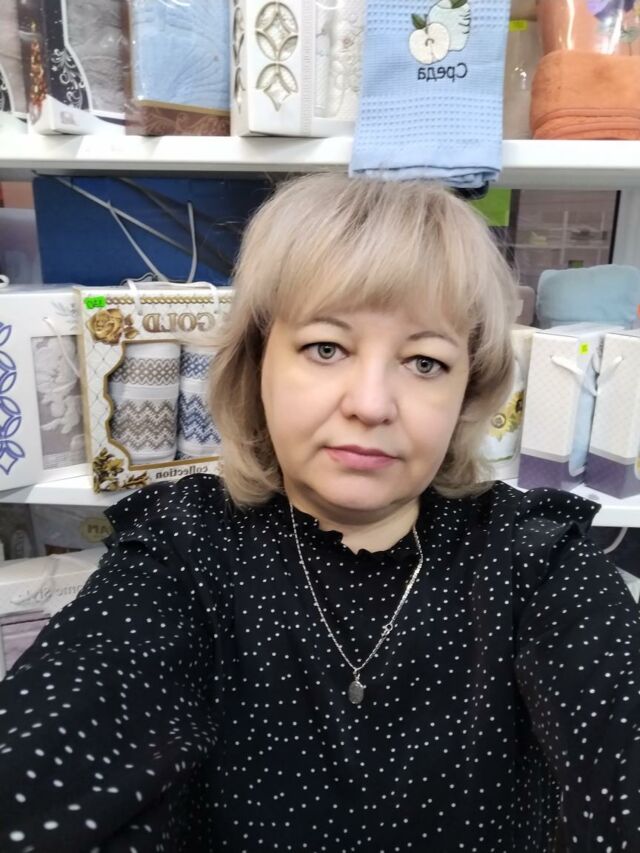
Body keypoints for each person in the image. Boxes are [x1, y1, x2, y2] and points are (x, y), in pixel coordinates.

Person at [0, 173, 638, 853]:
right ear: (256, 364)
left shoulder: (537, 560)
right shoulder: (183, 550)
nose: (371, 404)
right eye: (326, 348)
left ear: (467, 392)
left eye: (425, 362)